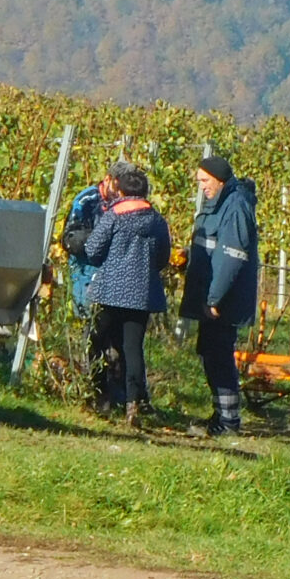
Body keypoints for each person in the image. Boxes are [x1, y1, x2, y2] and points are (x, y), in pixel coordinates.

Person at [80, 161, 171, 428]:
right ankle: (133, 404)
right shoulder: (156, 221)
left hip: (109, 292)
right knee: (133, 348)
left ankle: (98, 396)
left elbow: (93, 250)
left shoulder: (114, 216)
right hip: (142, 295)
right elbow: (163, 257)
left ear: (120, 192)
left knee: (96, 342)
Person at [183, 154, 260, 438]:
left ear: (218, 179)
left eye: (204, 180)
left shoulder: (235, 207)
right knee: (210, 353)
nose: (201, 186)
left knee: (219, 356)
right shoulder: (222, 203)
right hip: (212, 297)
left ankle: (228, 422)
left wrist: (215, 299)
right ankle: (221, 416)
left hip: (222, 302)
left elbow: (231, 257)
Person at [59, 170, 116, 318]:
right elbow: (71, 238)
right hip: (85, 267)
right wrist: (99, 238)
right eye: (116, 188)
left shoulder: (120, 202)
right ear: (107, 179)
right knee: (87, 317)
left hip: (109, 269)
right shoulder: (86, 200)